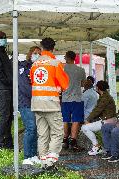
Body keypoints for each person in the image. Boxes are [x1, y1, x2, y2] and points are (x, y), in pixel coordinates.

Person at [30, 37, 69, 169]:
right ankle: (51, 161)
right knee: (57, 133)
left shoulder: (34, 64)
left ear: (41, 48)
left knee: (42, 134)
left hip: (36, 104)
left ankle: (43, 160)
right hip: (51, 105)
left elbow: (33, 82)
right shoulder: (55, 63)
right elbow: (65, 85)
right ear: (53, 48)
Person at [81, 80, 117, 156]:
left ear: (98, 88)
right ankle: (97, 147)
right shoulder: (105, 96)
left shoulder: (105, 98)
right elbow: (98, 111)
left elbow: (97, 110)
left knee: (84, 128)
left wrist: (88, 120)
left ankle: (97, 147)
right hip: (109, 119)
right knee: (86, 126)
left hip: (108, 121)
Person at [19, 46, 41, 165]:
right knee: (31, 128)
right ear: (30, 53)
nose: (37, 55)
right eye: (35, 53)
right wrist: (37, 95)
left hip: (35, 102)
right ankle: (27, 156)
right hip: (26, 102)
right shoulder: (23, 66)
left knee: (35, 129)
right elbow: (24, 86)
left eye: (39, 53)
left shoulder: (37, 67)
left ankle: (33, 155)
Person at [61, 51, 86, 151]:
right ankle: (73, 141)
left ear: (66, 57)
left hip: (65, 98)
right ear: (74, 58)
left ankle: (65, 140)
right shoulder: (81, 70)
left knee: (65, 120)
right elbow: (83, 84)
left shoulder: (62, 69)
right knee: (76, 120)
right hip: (77, 98)